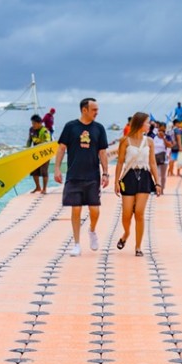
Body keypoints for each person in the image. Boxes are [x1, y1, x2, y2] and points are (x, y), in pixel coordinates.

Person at [53, 97, 110, 256]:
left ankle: (92, 230)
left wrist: (105, 173)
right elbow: (61, 148)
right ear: (84, 110)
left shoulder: (99, 128)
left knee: (94, 210)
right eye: (94, 110)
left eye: (97, 110)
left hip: (93, 175)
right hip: (74, 175)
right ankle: (77, 244)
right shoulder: (70, 127)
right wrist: (57, 169)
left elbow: (103, 152)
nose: (96, 112)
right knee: (76, 209)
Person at [115, 111, 160, 255]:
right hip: (129, 177)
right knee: (127, 214)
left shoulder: (150, 141)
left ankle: (138, 246)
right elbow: (120, 162)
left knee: (139, 213)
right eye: (147, 122)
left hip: (145, 176)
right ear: (141, 124)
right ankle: (126, 234)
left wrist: (158, 182)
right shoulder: (125, 140)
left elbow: (152, 162)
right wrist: (116, 181)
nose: (149, 125)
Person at [26, 114, 51, 194]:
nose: (33, 125)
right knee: (34, 170)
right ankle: (38, 187)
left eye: (34, 123)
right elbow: (29, 140)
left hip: (44, 153)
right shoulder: (31, 130)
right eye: (32, 123)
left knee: (44, 171)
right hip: (35, 153)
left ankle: (44, 189)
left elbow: (48, 141)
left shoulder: (45, 131)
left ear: (40, 123)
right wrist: (27, 150)